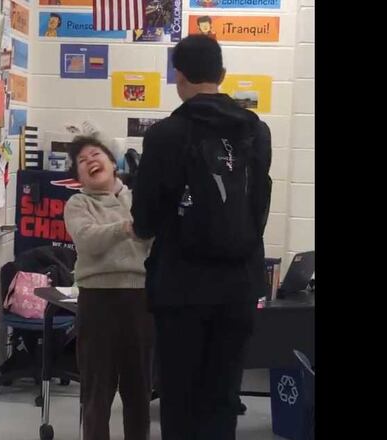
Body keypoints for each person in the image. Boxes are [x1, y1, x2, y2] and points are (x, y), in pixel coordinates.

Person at [131, 35, 273, 440]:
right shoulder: (257, 132)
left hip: (181, 288)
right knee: (224, 397)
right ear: (223, 75)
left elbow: (145, 222)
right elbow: (258, 208)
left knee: (180, 399)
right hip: (240, 285)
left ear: (178, 77)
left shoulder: (163, 136)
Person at [63, 136, 155, 440]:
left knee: (138, 391)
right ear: (79, 177)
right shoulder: (78, 204)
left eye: (96, 154)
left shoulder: (140, 199)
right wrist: (128, 227)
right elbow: (88, 239)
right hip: (97, 302)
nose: (90, 161)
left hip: (139, 300)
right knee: (96, 392)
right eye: (82, 161)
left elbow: (155, 240)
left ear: (113, 163)